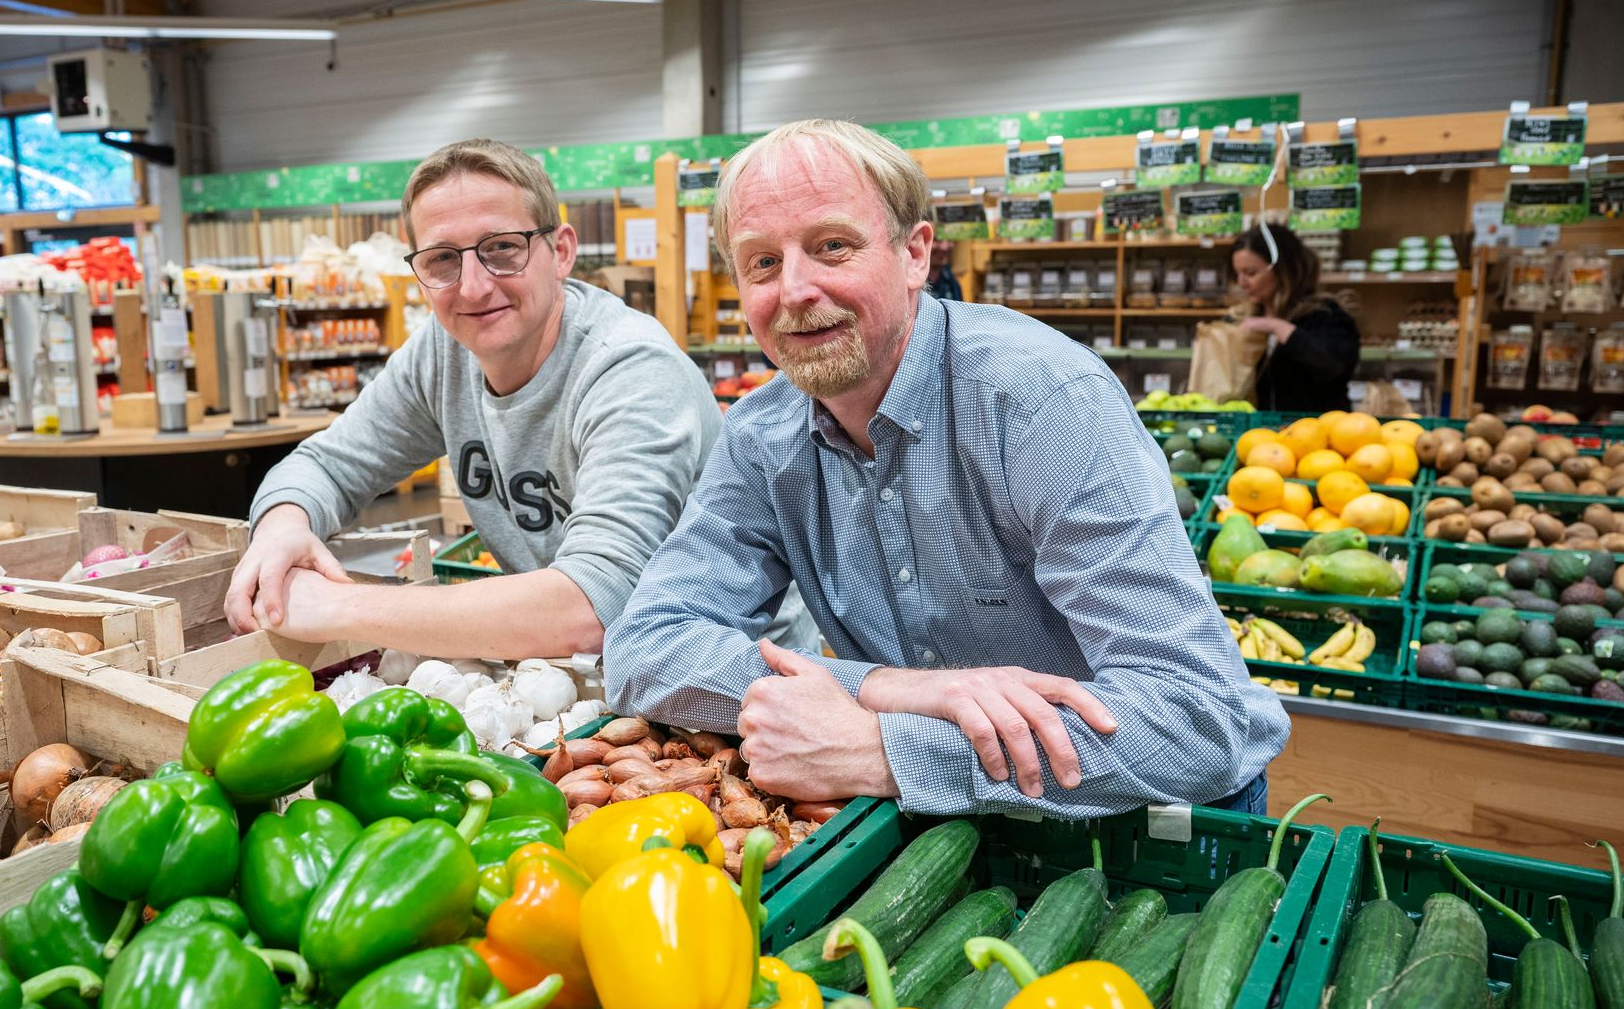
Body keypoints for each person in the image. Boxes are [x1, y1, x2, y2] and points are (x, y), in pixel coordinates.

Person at [604, 119, 1288, 817]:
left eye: (831, 246)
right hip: (952, 831)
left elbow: (1198, 718)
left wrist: (883, 749)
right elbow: (644, 647)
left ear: (915, 253)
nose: (796, 290)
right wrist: (884, 688)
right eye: (762, 264)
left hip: (1149, 824)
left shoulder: (1041, 403)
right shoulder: (761, 437)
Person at [226, 138, 736, 661]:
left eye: (502, 249)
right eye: (443, 259)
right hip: (584, 678)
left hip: (723, 689)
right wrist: (280, 527)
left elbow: (590, 607)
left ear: (560, 252)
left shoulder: (631, 371)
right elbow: (326, 466)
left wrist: (339, 607)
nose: (472, 288)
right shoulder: (443, 352)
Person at [1232, 223, 1360, 414]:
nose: (1242, 283)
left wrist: (1278, 327)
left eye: (1251, 273)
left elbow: (1335, 366)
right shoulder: (1246, 318)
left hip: (1319, 435)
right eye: (1237, 274)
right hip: (1264, 437)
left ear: (1284, 271)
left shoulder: (1325, 316)